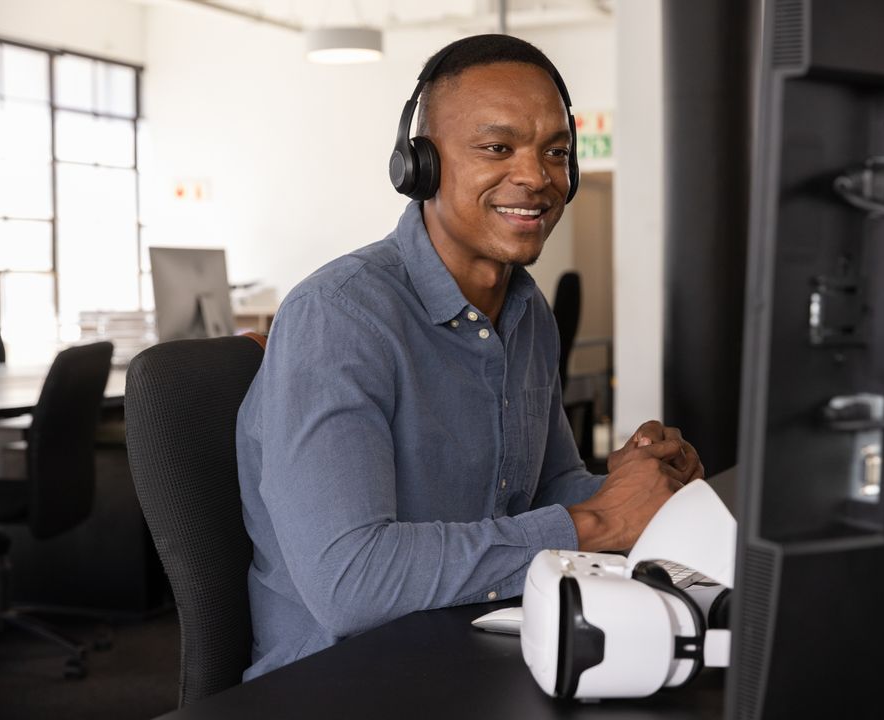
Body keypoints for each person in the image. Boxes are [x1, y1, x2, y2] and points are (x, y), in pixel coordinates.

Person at [236, 34, 703, 680]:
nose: (536, 177)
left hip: (475, 643)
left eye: (556, 152)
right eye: (497, 148)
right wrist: (596, 521)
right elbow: (352, 581)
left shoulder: (526, 311)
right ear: (419, 166)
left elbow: (546, 488)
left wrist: (640, 489)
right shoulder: (339, 318)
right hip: (341, 680)